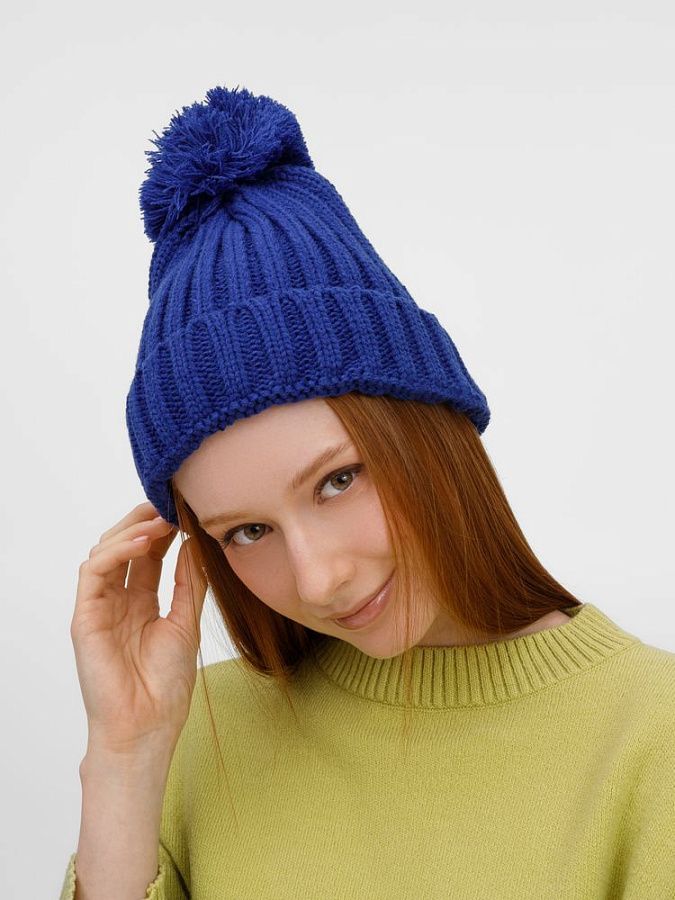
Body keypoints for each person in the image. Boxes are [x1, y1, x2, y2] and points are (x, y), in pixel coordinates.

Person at [60, 85, 675, 899]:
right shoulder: (190, 736)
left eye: (337, 480)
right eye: (246, 531)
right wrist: (124, 758)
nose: (319, 579)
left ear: (429, 430)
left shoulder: (650, 735)